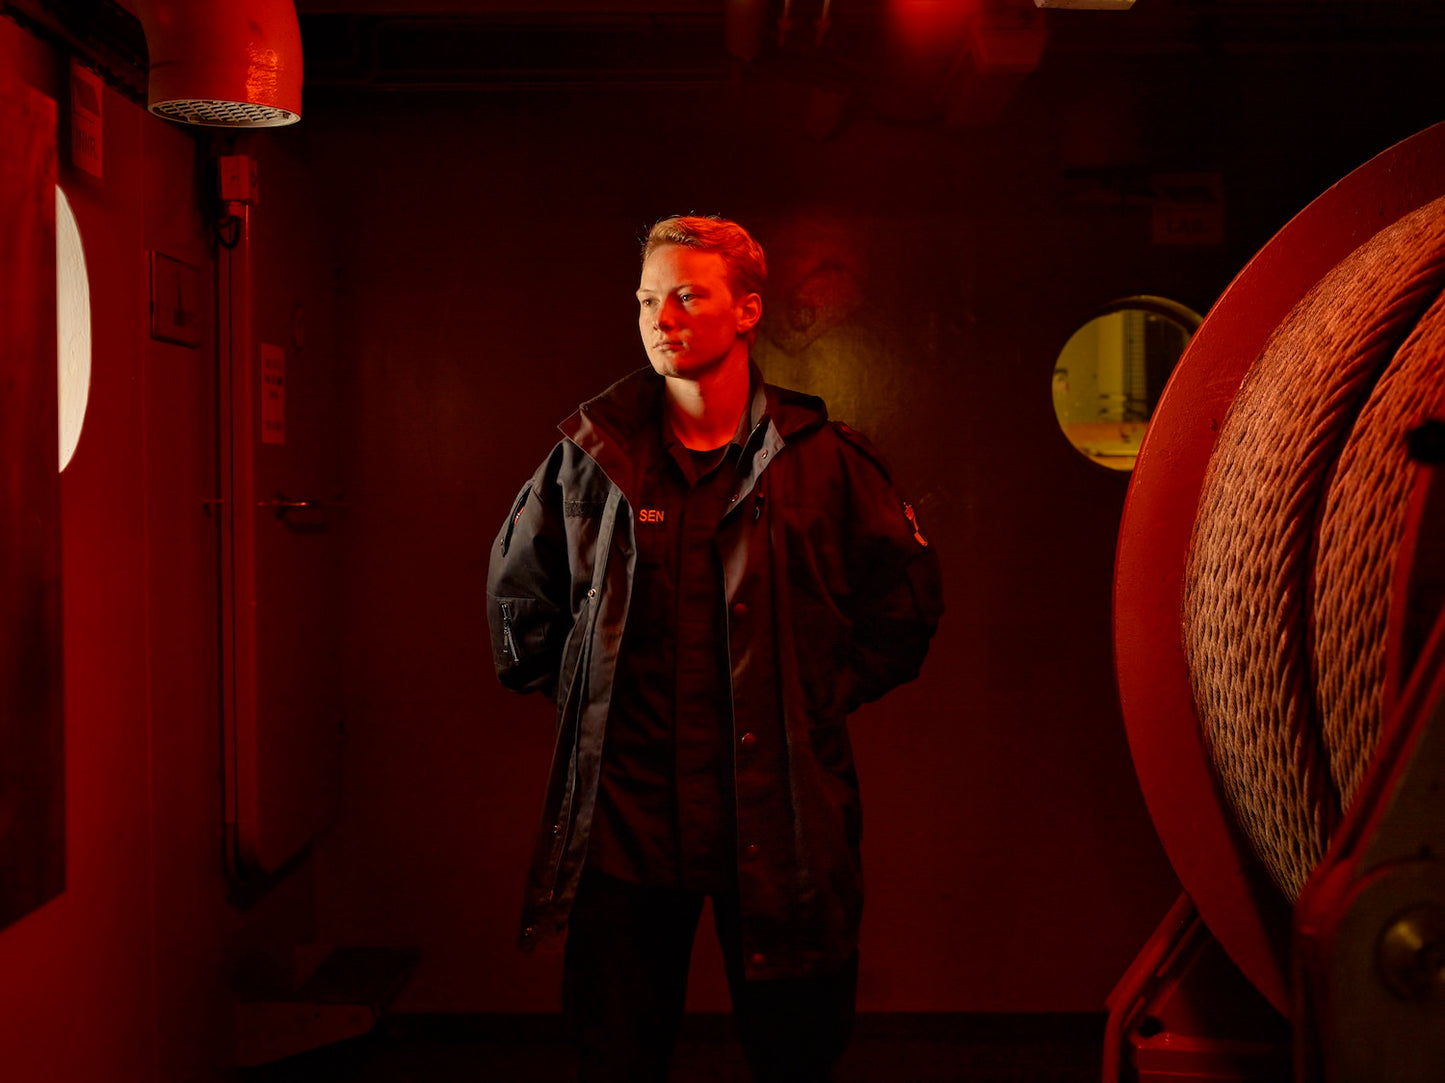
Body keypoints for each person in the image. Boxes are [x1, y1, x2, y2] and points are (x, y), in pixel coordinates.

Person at [486, 214, 942, 1082]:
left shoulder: (823, 463)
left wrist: (814, 694)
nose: (661, 318)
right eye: (646, 300)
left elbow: (906, 608)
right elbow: (519, 608)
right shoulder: (590, 459)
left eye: (687, 296)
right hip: (625, 822)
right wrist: (588, 693)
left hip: (777, 814)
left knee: (795, 1051)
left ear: (746, 311)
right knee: (614, 1051)